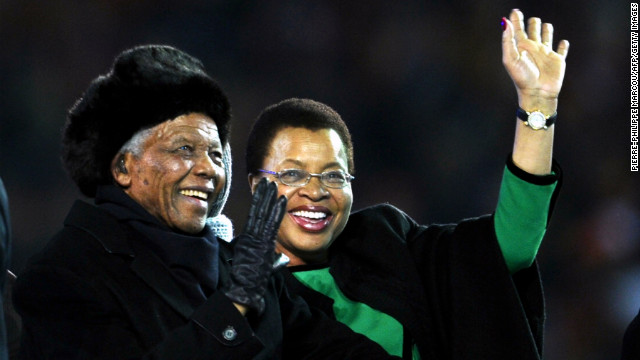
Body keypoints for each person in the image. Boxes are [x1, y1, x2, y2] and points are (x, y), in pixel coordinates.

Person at [12, 44, 400, 359]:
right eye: (184, 148)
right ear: (123, 167)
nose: (208, 170)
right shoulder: (63, 277)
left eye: (216, 155)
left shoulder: (238, 266)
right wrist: (233, 308)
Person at [245, 9, 568, 360]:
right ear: (255, 186)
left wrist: (537, 103)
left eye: (334, 175)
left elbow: (512, 245)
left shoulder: (386, 245)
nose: (315, 191)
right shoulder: (228, 285)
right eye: (292, 174)